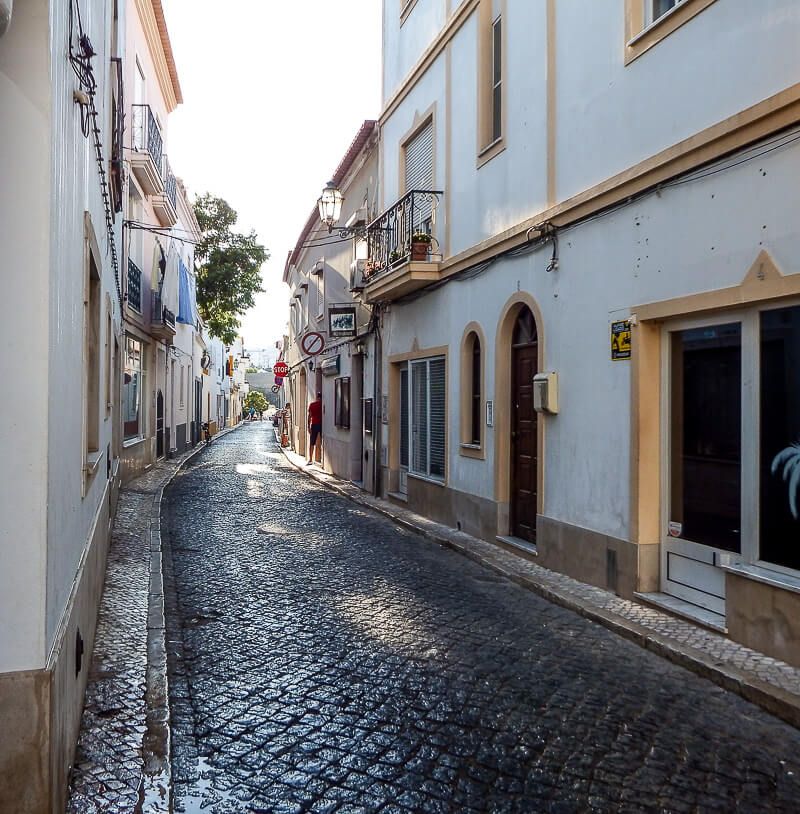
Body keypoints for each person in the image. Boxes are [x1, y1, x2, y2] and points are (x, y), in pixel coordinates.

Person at [307, 392, 322, 465]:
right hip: (322, 425)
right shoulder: (322, 405)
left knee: (312, 442)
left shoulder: (312, 405)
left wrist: (308, 426)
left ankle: (310, 459)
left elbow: (309, 416)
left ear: (317, 397)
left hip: (314, 424)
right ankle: (321, 458)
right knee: (321, 442)